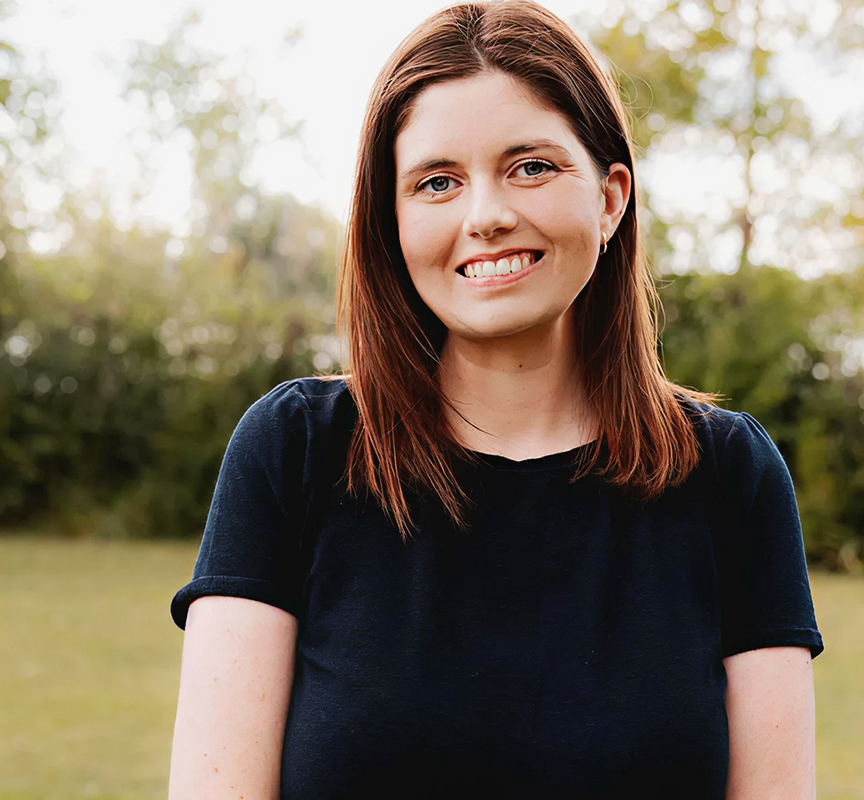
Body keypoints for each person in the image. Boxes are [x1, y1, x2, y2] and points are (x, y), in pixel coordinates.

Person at [167, 1, 825, 797]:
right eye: (437, 182)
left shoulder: (728, 474)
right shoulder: (295, 450)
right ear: (393, 217)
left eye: (531, 166)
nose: (487, 216)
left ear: (612, 197)